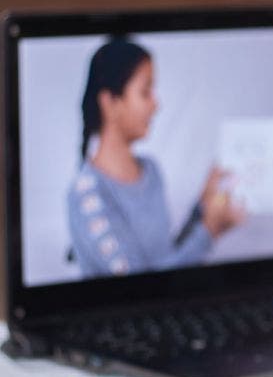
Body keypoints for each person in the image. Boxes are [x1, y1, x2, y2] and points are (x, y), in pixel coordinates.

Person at [67, 39, 243, 278]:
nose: (156, 104)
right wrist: (209, 231)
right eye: (145, 91)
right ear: (110, 102)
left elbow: (165, 260)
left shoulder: (151, 170)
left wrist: (203, 207)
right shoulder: (86, 195)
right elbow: (141, 286)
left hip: (168, 310)